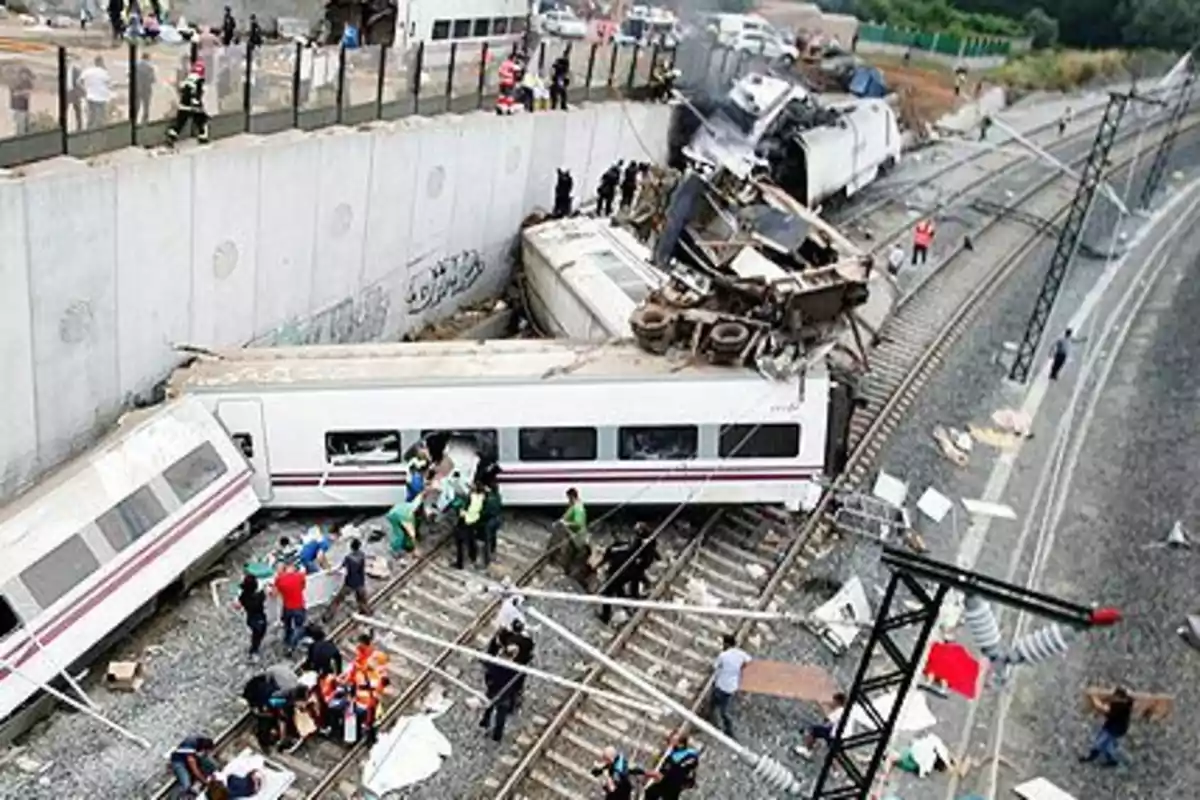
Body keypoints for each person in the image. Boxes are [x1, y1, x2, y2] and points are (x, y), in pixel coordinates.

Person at [1080, 686, 1134, 766]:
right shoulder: (1125, 704)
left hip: (1114, 728)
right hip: (1114, 727)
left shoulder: (1120, 706)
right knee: (1107, 744)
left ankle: (1095, 756)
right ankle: (1110, 759)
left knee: (1100, 742)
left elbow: (1106, 711)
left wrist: (1095, 698)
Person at [710, 634, 751, 738]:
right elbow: (749, 660)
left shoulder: (723, 655)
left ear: (727, 644)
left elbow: (714, 666)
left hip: (721, 685)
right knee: (721, 704)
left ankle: (727, 728)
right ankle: (716, 718)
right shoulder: (740, 654)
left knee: (720, 706)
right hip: (732, 686)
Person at [480, 644, 521, 742]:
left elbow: (488, 674)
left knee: (489, 707)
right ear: (513, 655)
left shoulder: (496, 663)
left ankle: (485, 722)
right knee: (500, 716)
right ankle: (497, 735)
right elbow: (517, 685)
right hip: (504, 694)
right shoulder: (514, 669)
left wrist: (489, 684)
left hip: (492, 690)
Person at [643, 732, 700, 800]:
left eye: (673, 740)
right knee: (650, 792)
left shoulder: (689, 755)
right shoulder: (671, 753)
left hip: (672, 785)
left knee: (653, 792)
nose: (670, 741)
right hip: (666, 784)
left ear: (680, 743)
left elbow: (678, 771)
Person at [166, 61, 209, 147]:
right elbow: (198, 93)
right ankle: (203, 138)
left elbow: (182, 89)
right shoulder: (199, 80)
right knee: (202, 121)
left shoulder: (188, 78)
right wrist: (197, 104)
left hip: (184, 105)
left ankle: (171, 137)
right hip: (194, 106)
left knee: (179, 123)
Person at [325, 537, 370, 618]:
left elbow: (340, 567)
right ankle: (367, 614)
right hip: (360, 582)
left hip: (349, 583)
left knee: (337, 600)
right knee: (362, 600)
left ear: (351, 547)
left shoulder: (349, 558)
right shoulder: (362, 555)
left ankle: (328, 615)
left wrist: (331, 572)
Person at [598, 533, 638, 625]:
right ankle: (628, 608)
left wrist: (605, 571)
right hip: (628, 573)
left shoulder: (612, 550)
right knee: (619, 591)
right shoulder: (628, 545)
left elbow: (607, 562)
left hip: (620, 573)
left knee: (607, 593)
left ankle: (606, 616)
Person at [794, 692, 848, 758]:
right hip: (841, 736)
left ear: (838, 702)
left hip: (834, 735)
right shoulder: (844, 711)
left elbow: (827, 720)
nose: (832, 703)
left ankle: (807, 750)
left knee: (813, 730)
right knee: (822, 734)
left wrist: (821, 707)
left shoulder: (839, 711)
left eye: (834, 701)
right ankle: (814, 747)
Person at [273, 563, 308, 655]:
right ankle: (291, 646)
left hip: (287, 607)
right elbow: (303, 587)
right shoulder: (300, 576)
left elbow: (274, 594)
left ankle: (287, 639)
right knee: (299, 627)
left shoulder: (278, 580)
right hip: (299, 607)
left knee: (287, 625)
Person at [557, 487, 590, 586]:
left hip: (576, 539)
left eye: (568, 498)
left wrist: (566, 524)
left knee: (569, 558)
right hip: (575, 537)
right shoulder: (575, 506)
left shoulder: (578, 508)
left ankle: (572, 578)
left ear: (571, 497)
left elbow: (578, 524)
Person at [233, 572, 268, 661]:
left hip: (250, 618)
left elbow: (238, 605)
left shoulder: (244, 596)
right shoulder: (259, 597)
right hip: (259, 619)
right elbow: (264, 595)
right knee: (259, 634)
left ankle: (254, 649)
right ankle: (253, 651)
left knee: (256, 634)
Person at [455, 483, 485, 569]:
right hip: (475, 520)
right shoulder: (482, 497)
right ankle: (473, 557)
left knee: (460, 542)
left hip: (466, 520)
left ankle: (460, 563)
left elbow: (464, 509)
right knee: (472, 540)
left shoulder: (471, 497)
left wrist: (460, 512)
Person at [79, 55, 112, 130]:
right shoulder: (103, 72)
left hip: (90, 96)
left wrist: (85, 89)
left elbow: (79, 82)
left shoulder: (88, 71)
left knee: (91, 117)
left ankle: (88, 133)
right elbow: (109, 83)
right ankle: (100, 133)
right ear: (101, 62)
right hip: (102, 97)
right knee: (101, 117)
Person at [480, 483, 503, 567]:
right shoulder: (498, 496)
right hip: (498, 519)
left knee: (487, 541)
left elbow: (485, 512)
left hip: (490, 521)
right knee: (493, 537)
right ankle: (493, 552)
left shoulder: (489, 499)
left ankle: (487, 561)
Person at [7, 66, 34, 137]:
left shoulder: (28, 83)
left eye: (27, 75)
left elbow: (28, 94)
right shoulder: (15, 82)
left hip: (24, 108)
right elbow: (15, 94)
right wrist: (23, 93)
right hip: (15, 108)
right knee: (16, 128)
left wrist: (22, 93)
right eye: (24, 74)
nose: (25, 76)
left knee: (23, 129)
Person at [134, 52, 155, 125]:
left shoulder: (136, 66)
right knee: (146, 106)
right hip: (146, 89)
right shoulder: (150, 68)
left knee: (137, 105)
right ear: (148, 58)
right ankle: (144, 121)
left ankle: (134, 120)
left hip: (137, 88)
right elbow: (153, 79)